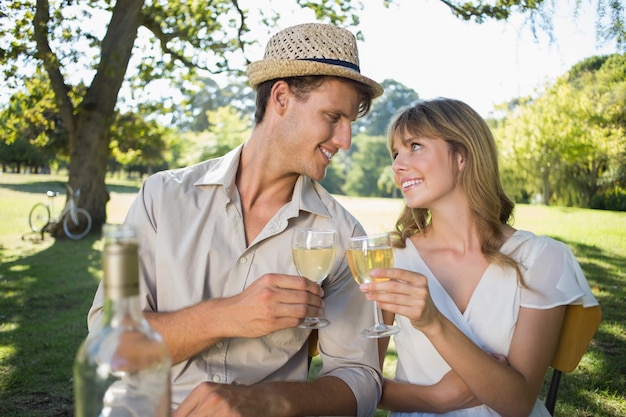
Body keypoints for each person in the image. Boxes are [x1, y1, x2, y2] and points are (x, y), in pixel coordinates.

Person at [87, 23, 385, 417]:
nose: (345, 140)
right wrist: (225, 316)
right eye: (333, 116)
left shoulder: (343, 234)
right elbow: (110, 343)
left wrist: (271, 401)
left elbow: (360, 377)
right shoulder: (162, 196)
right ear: (281, 97)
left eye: (349, 123)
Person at [359, 98, 599, 417]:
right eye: (395, 153)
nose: (397, 165)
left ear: (462, 156)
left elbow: (517, 403)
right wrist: (435, 399)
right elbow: (360, 383)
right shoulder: (388, 257)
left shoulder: (542, 258)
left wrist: (432, 321)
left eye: (415, 146)